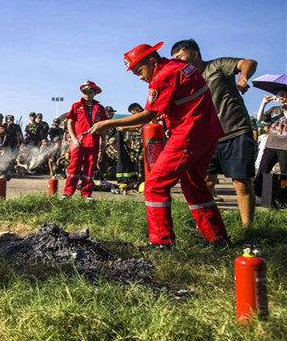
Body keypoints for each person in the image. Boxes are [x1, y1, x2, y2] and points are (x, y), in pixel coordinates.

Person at [89, 41, 228, 248]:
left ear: (152, 62)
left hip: (188, 134)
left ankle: (162, 242)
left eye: (139, 71)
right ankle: (217, 238)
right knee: (194, 185)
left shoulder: (163, 76)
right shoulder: (179, 68)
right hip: (207, 133)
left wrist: (107, 123)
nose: (140, 77)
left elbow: (148, 115)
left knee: (154, 185)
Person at [171, 39, 257, 226]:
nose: (177, 60)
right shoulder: (185, 80)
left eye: (180, 55)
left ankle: (247, 228)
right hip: (206, 137)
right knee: (205, 182)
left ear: (195, 53)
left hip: (234, 131)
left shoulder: (216, 66)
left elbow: (248, 63)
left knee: (240, 182)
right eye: (174, 58)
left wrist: (243, 78)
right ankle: (208, 225)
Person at [62, 80, 108, 199]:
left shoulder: (100, 108)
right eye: (84, 91)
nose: (87, 94)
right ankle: (67, 193)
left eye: (90, 91)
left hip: (93, 141)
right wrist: (74, 139)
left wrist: (103, 141)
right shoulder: (76, 106)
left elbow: (103, 127)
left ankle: (86, 194)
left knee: (90, 166)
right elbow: (70, 123)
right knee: (74, 166)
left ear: (95, 93)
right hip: (78, 142)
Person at [253, 91, 287, 199]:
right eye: (280, 96)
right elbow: (259, 119)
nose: (282, 98)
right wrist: (264, 103)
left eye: (284, 96)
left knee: (285, 174)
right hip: (270, 146)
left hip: (285, 147)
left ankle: (284, 197)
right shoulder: (274, 110)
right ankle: (258, 195)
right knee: (262, 171)